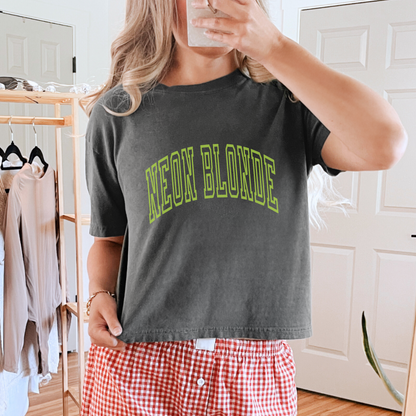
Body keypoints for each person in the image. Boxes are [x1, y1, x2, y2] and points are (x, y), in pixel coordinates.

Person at [79, 0, 407, 415]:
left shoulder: (290, 102)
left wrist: (275, 47)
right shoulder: (118, 112)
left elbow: (385, 144)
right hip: (138, 362)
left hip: (252, 368)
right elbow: (110, 241)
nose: (211, 5)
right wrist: (99, 294)